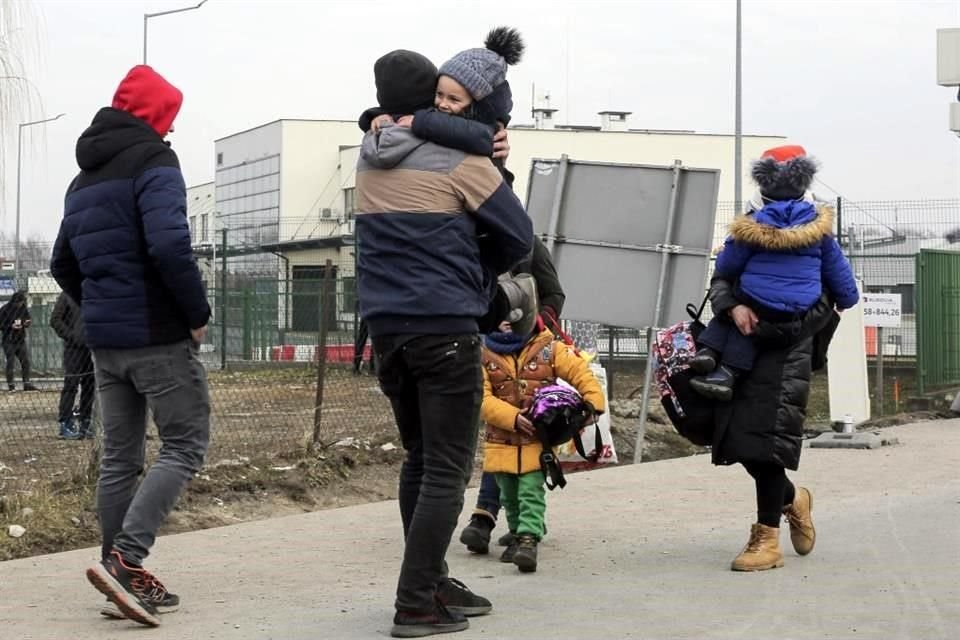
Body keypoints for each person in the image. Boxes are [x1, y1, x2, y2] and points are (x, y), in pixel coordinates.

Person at [356, 49, 533, 637]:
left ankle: (431, 579)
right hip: (444, 329)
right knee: (446, 470)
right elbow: (518, 236)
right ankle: (415, 602)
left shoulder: (369, 155)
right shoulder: (460, 161)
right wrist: (478, 273)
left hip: (387, 333)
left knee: (420, 459)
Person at [50, 64, 211, 627]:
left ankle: (116, 572)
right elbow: (170, 245)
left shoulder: (82, 180)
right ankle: (126, 560)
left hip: (105, 340)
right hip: (158, 334)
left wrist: (99, 305)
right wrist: (195, 313)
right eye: (169, 120)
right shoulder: (155, 162)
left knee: (120, 458)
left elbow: (61, 263)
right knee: (186, 443)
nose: (171, 132)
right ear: (156, 116)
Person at [689, 145, 859, 401]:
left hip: (757, 299)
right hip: (801, 306)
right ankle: (724, 370)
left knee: (740, 310)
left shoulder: (751, 227)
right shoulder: (820, 231)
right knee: (755, 318)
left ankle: (714, 356)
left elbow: (728, 266)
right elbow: (838, 268)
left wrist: (724, 256)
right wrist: (846, 299)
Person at [460, 236, 565, 555]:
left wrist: (533, 322)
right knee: (499, 434)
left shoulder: (528, 245)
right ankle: (523, 523)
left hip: (527, 358)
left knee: (508, 437)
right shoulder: (465, 243)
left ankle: (487, 517)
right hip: (481, 350)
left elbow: (554, 295)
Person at [478, 320, 604, 573]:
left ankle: (528, 540)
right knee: (508, 495)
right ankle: (516, 533)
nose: (506, 322)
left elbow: (581, 372)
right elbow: (480, 397)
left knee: (530, 492)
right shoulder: (481, 354)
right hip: (500, 441)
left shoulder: (550, 349)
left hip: (538, 438)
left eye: (514, 316)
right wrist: (511, 418)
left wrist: (594, 402)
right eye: (500, 315)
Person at [50, 290, 95, 439]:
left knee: (90, 386)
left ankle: (85, 421)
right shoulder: (67, 293)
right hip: (73, 349)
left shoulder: (94, 290)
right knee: (71, 385)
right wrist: (72, 336)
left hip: (93, 347)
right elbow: (55, 319)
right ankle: (65, 422)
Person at [0, 290, 37, 391]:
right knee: (10, 362)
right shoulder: (4, 309)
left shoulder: (23, 308)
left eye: (22, 302)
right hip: (9, 340)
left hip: (20, 340)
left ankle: (27, 384)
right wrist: (10, 326)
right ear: (15, 302)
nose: (21, 304)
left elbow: (27, 318)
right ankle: (11, 385)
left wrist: (27, 323)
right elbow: (1, 325)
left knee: (25, 362)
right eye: (19, 303)